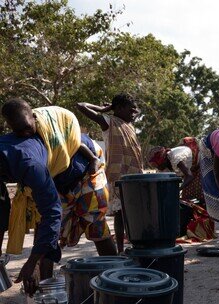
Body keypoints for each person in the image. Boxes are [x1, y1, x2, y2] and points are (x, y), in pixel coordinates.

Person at [1, 99, 116, 293]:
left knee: (95, 224)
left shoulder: (30, 163)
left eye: (28, 129)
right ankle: (47, 288)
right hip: (55, 180)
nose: (25, 134)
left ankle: (117, 278)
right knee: (48, 233)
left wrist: (31, 263)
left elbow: (52, 214)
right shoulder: (14, 148)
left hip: (85, 172)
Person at [77, 93, 143, 253]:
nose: (133, 113)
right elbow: (81, 105)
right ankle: (120, 249)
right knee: (121, 214)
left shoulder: (129, 124)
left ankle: (136, 245)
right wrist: (103, 108)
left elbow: (137, 111)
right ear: (118, 109)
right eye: (130, 110)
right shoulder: (109, 122)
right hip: (118, 175)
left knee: (133, 212)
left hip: (134, 175)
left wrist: (131, 109)